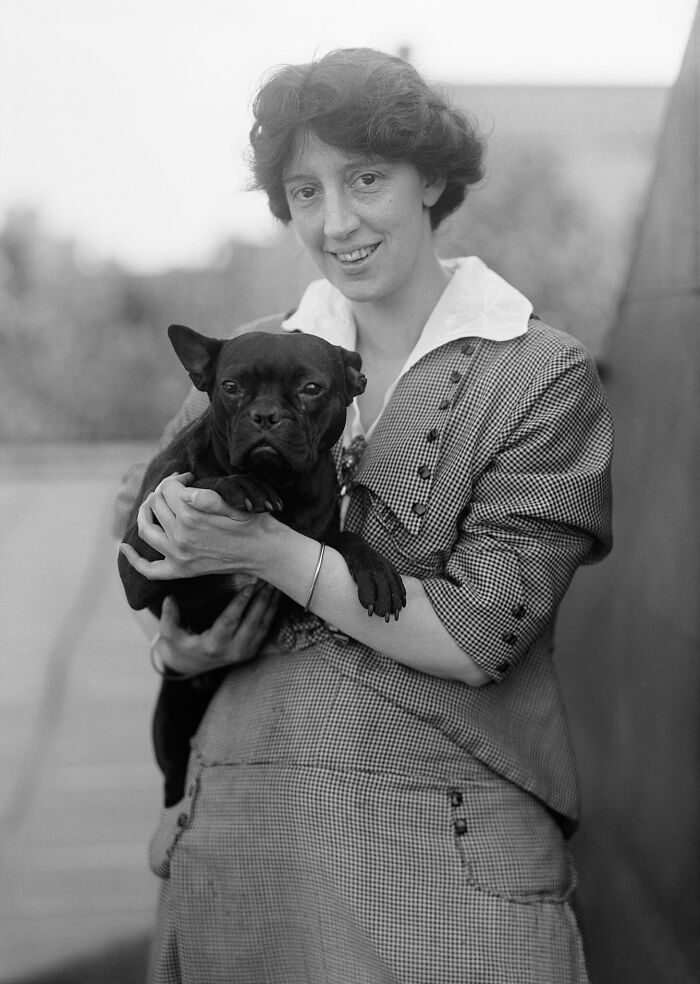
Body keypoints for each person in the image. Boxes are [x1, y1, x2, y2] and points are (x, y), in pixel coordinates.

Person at [115, 47, 613, 984]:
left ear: (430, 177)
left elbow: (477, 637)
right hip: (237, 850)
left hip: (443, 858)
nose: (335, 222)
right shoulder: (250, 365)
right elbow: (153, 561)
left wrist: (273, 551)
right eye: (305, 192)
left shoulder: (538, 375)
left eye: (366, 179)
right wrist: (175, 651)